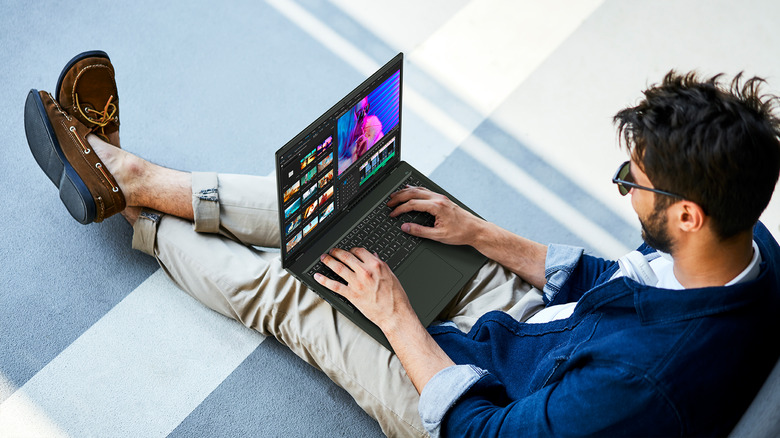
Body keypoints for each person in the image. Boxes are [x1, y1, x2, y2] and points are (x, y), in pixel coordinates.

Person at [24, 51, 780, 437]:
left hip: (480, 392)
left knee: (298, 298)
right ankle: (137, 176)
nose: (623, 185)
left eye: (633, 179)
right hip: (538, 332)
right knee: (361, 207)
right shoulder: (747, 248)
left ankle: (133, 213)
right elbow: (620, 275)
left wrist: (397, 320)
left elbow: (485, 432)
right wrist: (478, 233)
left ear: (686, 215)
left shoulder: (634, 391)